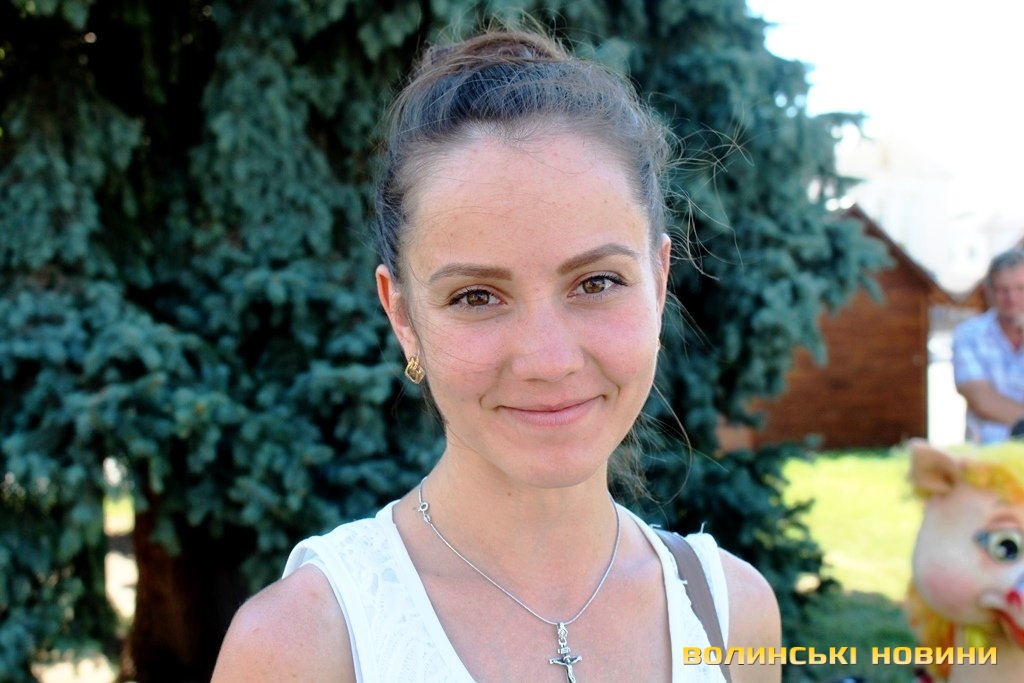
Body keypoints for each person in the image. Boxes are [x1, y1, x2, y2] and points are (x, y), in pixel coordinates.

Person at [212, 24, 780, 682]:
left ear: (658, 282)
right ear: (403, 316)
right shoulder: (300, 645)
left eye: (597, 282)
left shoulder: (733, 614)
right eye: (477, 296)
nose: (548, 360)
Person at [953, 248, 1024, 444]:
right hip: (986, 452)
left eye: (1020, 288)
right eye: (1003, 289)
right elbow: (981, 401)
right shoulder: (969, 335)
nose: (1011, 297)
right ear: (990, 292)